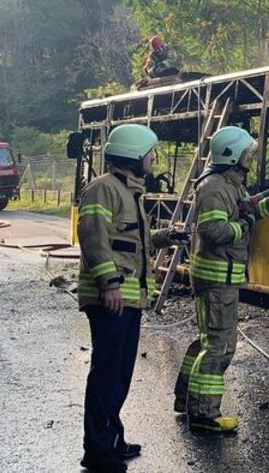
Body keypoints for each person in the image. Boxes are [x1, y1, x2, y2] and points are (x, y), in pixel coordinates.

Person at [76, 124, 187, 472]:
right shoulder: (102, 190)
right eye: (151, 153)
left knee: (120, 374)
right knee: (106, 374)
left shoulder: (130, 193)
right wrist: (109, 283)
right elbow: (94, 239)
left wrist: (164, 236)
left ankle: (112, 439)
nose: (154, 159)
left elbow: (129, 240)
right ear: (136, 156)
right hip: (111, 298)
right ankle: (96, 451)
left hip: (128, 299)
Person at [172, 126, 269, 433]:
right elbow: (217, 231)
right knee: (220, 347)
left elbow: (244, 210)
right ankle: (204, 415)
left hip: (219, 276)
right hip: (217, 279)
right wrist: (246, 222)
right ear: (232, 156)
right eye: (246, 153)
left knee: (207, 342)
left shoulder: (228, 184)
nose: (250, 157)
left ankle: (186, 400)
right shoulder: (214, 187)